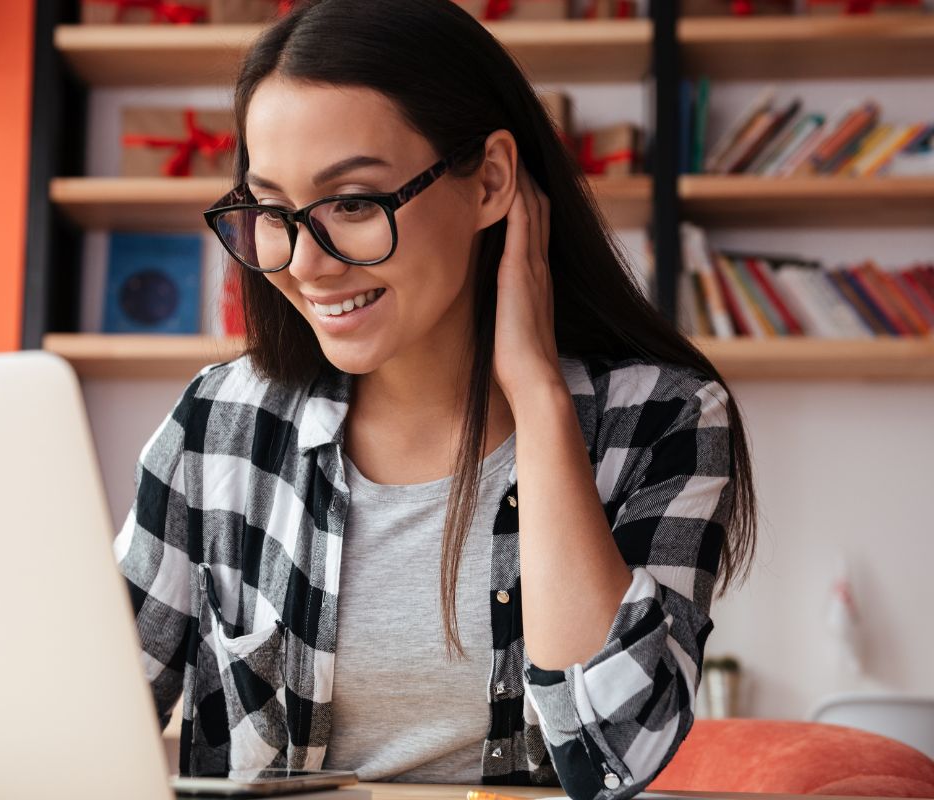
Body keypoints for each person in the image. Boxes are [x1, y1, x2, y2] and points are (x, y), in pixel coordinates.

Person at [112, 1, 758, 798]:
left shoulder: (665, 418)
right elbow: (87, 718)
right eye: (272, 211)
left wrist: (540, 401)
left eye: (352, 202)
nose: (305, 266)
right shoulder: (222, 424)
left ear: (489, 181)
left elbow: (613, 755)